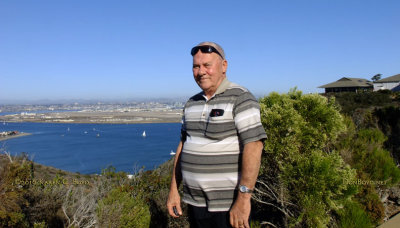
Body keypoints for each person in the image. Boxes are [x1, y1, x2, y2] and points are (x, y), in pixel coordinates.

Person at [167, 41, 267, 228]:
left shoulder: (241, 98)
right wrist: (174, 190)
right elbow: (183, 144)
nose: (201, 71)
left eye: (207, 65)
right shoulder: (191, 103)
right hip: (194, 202)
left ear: (224, 66)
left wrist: (244, 199)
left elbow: (254, 146)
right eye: (196, 66)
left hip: (228, 206)